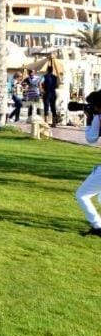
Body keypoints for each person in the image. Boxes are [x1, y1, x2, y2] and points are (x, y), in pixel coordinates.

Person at [75, 91, 101, 236]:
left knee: (82, 195)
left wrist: (90, 120)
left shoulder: (98, 118)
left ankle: (98, 226)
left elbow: (91, 138)